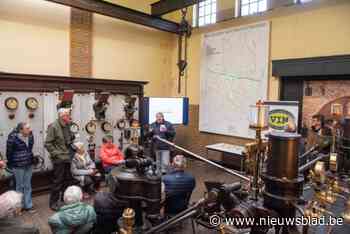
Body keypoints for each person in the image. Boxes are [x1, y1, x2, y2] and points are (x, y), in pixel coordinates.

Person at [45, 108, 75, 211]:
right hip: (59, 158)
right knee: (57, 181)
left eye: (69, 115)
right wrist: (56, 154)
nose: (69, 117)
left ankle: (64, 200)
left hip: (67, 157)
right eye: (67, 115)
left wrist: (72, 131)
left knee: (67, 180)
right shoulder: (53, 126)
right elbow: (47, 143)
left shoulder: (67, 125)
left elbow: (69, 140)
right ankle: (53, 203)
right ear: (62, 116)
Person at [6, 122, 35, 213]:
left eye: (29, 128)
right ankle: (19, 207)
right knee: (19, 186)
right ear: (21, 130)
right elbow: (9, 152)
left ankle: (28, 205)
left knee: (28, 185)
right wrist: (11, 163)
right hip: (18, 165)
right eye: (27, 128)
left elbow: (30, 148)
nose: (30, 130)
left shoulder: (30, 135)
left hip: (29, 163)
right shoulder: (12, 137)